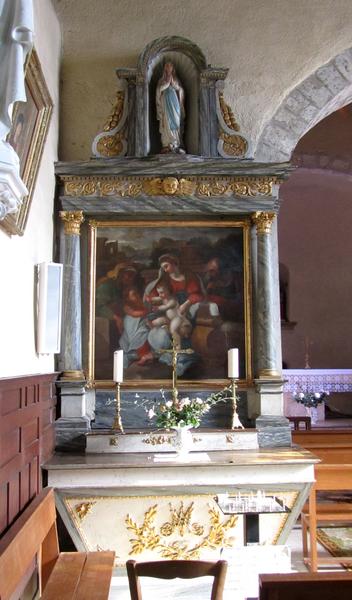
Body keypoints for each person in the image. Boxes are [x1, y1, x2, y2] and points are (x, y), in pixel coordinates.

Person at [150, 282, 192, 349]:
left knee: (173, 330)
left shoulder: (172, 300)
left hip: (177, 318)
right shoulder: (163, 298)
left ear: (168, 291)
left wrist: (158, 308)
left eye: (162, 292)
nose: (160, 295)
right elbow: (156, 299)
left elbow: (166, 307)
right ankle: (155, 339)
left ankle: (178, 346)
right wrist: (150, 299)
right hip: (169, 319)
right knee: (157, 321)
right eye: (159, 293)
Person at [156, 62, 185, 153]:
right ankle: (166, 144)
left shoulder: (176, 79)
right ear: (164, 68)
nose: (168, 68)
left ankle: (176, 143)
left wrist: (173, 84)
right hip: (165, 103)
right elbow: (158, 90)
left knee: (176, 121)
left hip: (174, 103)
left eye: (170, 66)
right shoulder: (161, 80)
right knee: (166, 121)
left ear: (173, 68)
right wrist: (167, 84)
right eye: (167, 66)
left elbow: (180, 90)